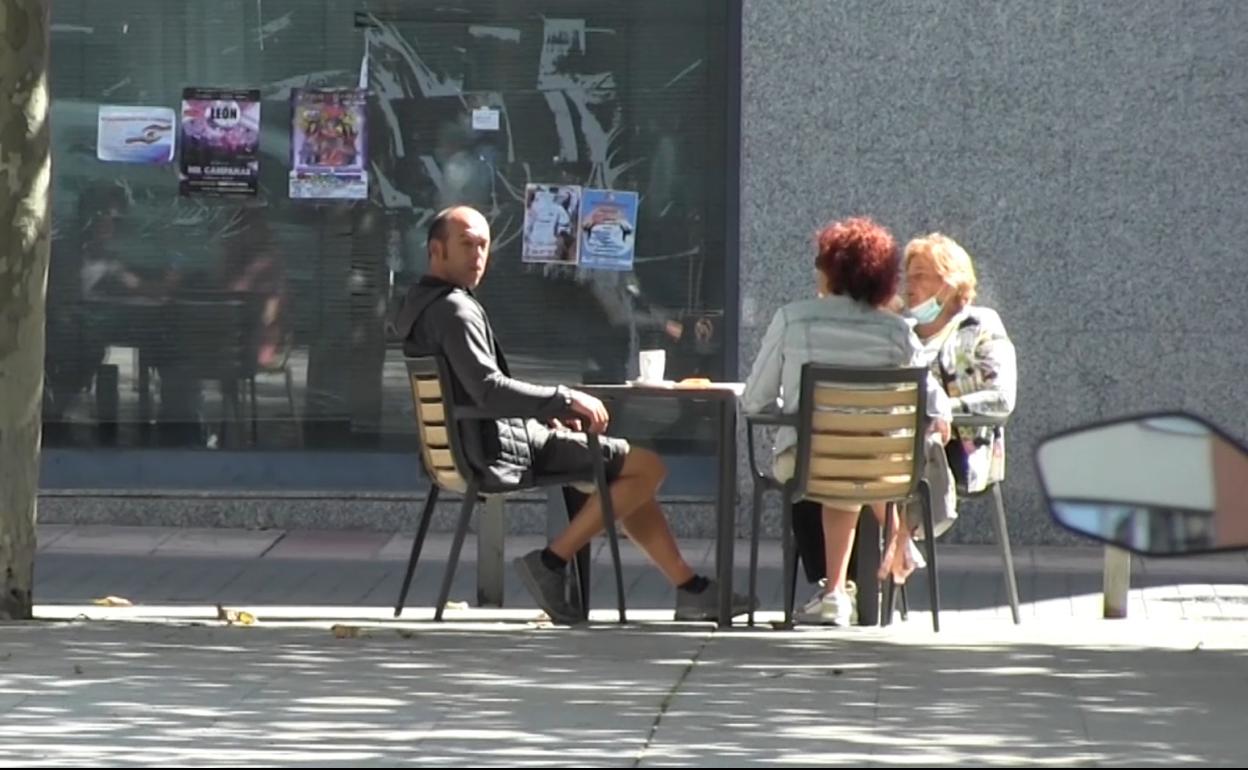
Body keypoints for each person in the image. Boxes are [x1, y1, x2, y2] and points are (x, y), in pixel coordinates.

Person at [394, 205, 752, 624]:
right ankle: (550, 562)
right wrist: (562, 400)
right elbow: (487, 391)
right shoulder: (454, 310)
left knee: (623, 474)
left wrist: (542, 414)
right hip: (494, 450)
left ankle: (690, 590)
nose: (477, 255)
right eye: (466, 245)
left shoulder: (423, 307)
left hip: (477, 443)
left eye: (484, 246)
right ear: (435, 250)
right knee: (646, 468)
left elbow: (476, 394)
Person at [742, 216, 951, 626]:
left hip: (807, 461)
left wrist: (794, 406)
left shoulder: (793, 318)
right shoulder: (898, 332)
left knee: (831, 456)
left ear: (829, 270)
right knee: (854, 456)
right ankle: (886, 545)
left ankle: (836, 592)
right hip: (883, 467)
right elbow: (933, 400)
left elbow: (754, 400)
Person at [900, 232, 1017, 538]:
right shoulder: (901, 332)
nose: (908, 286)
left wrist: (937, 411)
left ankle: (892, 550)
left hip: (956, 449)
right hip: (899, 444)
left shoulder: (979, 325)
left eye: (920, 276)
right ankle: (859, 569)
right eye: (907, 277)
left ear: (950, 283)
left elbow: (1001, 398)